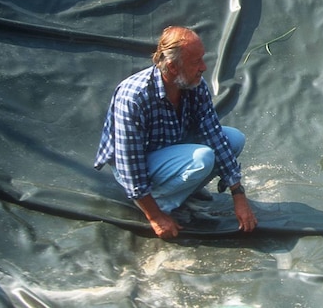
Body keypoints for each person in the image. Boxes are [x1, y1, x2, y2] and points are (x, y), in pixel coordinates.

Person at [94, 25, 257, 238]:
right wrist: (155, 216)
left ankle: (180, 189)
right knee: (202, 159)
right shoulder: (134, 97)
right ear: (172, 67)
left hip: (169, 146)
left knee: (234, 139)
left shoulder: (194, 86)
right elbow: (130, 167)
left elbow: (214, 134)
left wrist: (238, 194)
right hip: (137, 164)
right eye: (195, 61)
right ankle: (159, 202)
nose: (204, 67)